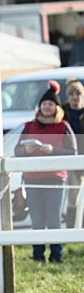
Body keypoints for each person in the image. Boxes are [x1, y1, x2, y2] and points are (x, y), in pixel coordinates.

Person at [15, 81, 77, 262]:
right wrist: (26, 151)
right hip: (32, 178)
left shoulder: (63, 126)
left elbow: (72, 152)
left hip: (55, 178)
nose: (47, 107)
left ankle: (56, 254)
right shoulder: (29, 126)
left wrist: (52, 150)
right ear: (40, 107)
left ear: (56, 107)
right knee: (37, 220)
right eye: (44, 104)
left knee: (53, 219)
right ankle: (38, 254)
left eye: (50, 104)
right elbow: (17, 151)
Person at [62, 79, 84, 228]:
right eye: (71, 94)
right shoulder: (63, 113)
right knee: (73, 196)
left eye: (78, 94)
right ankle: (71, 230)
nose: (75, 97)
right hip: (72, 158)